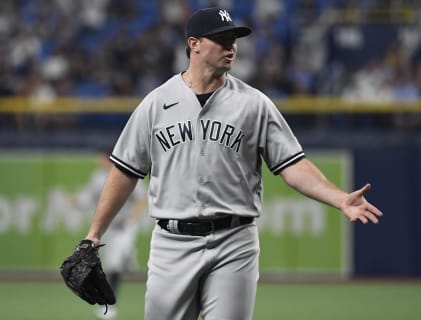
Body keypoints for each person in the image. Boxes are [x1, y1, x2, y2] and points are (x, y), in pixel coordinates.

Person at [82, 7, 383, 320]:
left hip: (234, 241)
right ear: (194, 44)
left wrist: (340, 199)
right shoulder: (156, 104)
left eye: (234, 39)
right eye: (221, 39)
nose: (231, 46)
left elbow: (293, 165)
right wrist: (94, 234)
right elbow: (124, 172)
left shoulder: (254, 104)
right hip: (172, 243)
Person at [72, 151, 148, 319]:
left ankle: (110, 304)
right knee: (110, 265)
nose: (98, 160)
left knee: (115, 264)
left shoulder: (126, 171)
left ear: (108, 157)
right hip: (108, 229)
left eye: (100, 157)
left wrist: (132, 217)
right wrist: (77, 201)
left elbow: (142, 199)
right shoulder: (98, 176)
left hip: (125, 226)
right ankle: (127, 258)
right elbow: (90, 198)